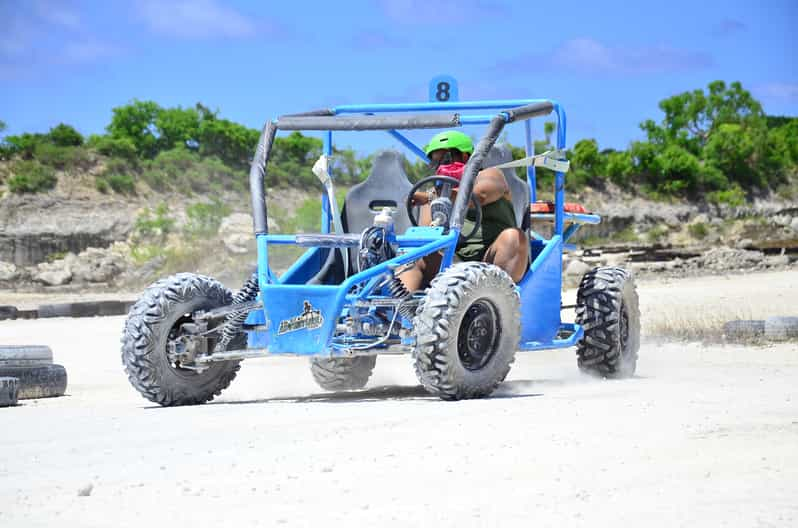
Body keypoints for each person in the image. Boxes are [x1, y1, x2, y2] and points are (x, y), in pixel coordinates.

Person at [401, 130, 529, 291]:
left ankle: (498, 300)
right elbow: (428, 235)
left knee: (513, 237)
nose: (442, 166)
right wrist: (433, 198)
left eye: (446, 159)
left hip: (492, 258)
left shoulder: (489, 175)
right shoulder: (434, 192)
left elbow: (480, 196)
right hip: (452, 262)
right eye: (437, 162)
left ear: (465, 157)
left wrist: (435, 196)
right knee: (414, 254)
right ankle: (400, 309)